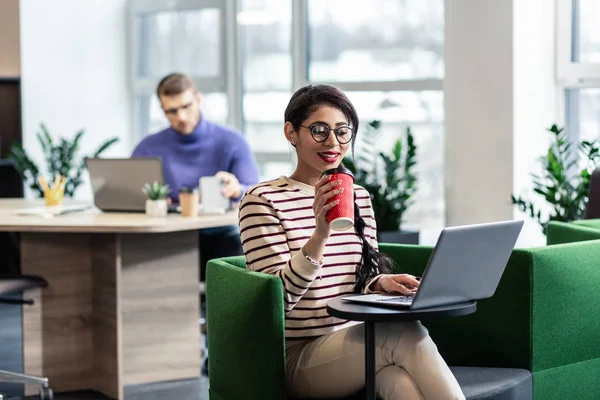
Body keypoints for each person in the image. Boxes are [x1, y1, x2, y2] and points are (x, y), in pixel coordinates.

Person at [238, 84, 464, 399]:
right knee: (402, 332)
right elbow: (276, 302)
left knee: (401, 385)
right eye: (319, 130)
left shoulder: (358, 196)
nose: (333, 142)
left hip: (353, 343)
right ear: (291, 133)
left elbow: (356, 282)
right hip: (298, 357)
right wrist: (320, 233)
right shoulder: (262, 200)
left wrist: (380, 283)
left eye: (343, 132)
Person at [132, 73, 260, 282]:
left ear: (198, 99)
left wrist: (237, 189)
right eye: (171, 111)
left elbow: (255, 191)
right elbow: (132, 194)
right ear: (162, 110)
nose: (181, 117)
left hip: (219, 233)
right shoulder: (148, 147)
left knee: (236, 242)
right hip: (167, 235)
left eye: (186, 107)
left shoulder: (232, 141)